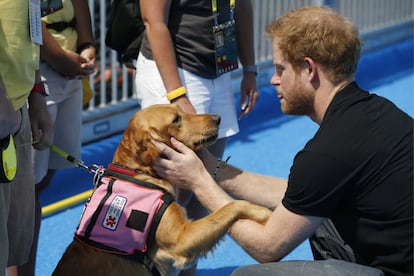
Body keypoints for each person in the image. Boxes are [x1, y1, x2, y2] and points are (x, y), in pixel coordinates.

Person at [151, 6, 413, 276]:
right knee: (313, 215)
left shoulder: (328, 152)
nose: (274, 80)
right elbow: (297, 194)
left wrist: (199, 182)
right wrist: (210, 167)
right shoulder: (377, 111)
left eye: (280, 69)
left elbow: (267, 247)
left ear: (309, 68)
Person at [136, 1, 258, 275]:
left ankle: (185, 269)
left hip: (217, 68)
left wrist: (250, 69)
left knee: (205, 179)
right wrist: (176, 94)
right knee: (172, 192)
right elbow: (153, 21)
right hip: (175, 74)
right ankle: (155, 269)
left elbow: (244, 5)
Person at [16, 0, 96, 275]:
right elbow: (25, 15)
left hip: (68, 75)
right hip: (40, 74)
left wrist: (87, 44)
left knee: (39, 183)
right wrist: (60, 57)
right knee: (24, 190)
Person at [0, 1, 54, 275]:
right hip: (3, 119)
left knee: (11, 246)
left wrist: (36, 96)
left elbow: (27, 30)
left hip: (16, 113)